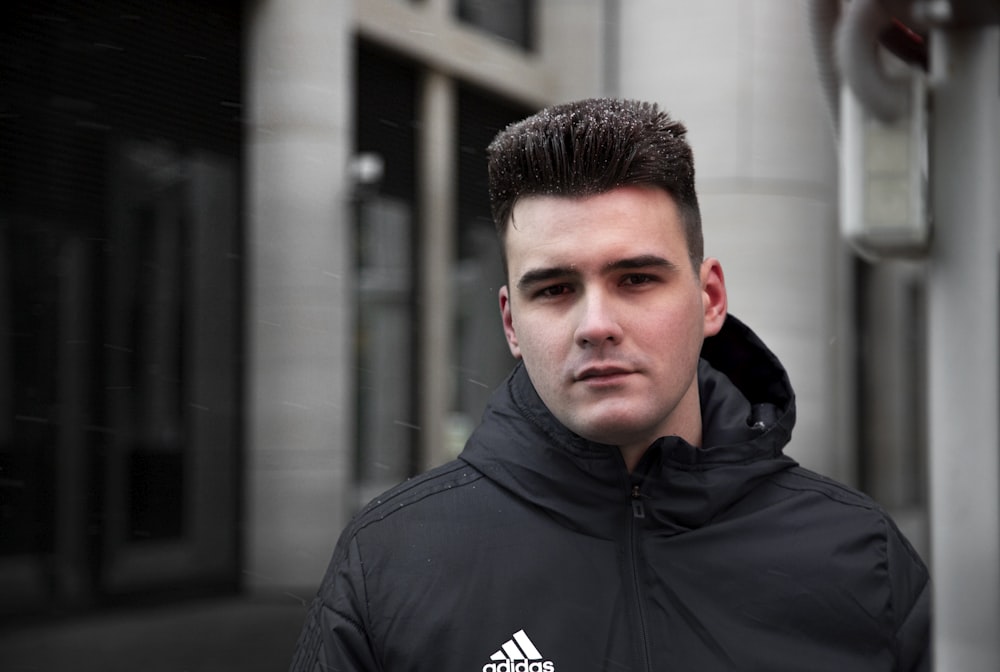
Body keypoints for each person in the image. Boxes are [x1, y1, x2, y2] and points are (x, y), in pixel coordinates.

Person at [289, 98, 930, 671]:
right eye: (556, 289)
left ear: (709, 298)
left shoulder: (859, 556)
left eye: (637, 279)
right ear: (512, 322)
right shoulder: (391, 561)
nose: (596, 325)